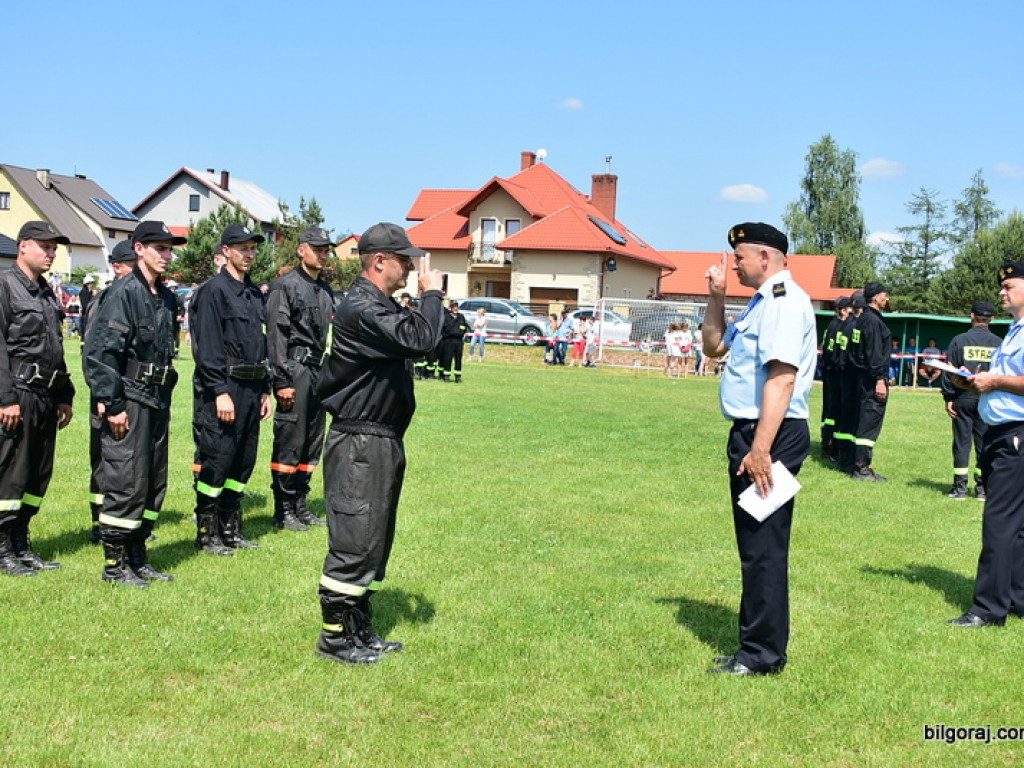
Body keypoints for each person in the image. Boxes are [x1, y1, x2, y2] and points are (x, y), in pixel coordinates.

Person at [314, 222, 444, 665]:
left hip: (380, 438)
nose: (410, 266)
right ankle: (335, 639)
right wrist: (432, 295)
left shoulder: (379, 304)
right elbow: (422, 339)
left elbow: (429, 336)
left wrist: (424, 305)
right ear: (379, 261)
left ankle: (358, 629)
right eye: (404, 259)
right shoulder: (362, 307)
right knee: (354, 540)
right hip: (360, 441)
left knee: (371, 540)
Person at [701, 222, 816, 676]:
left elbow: (783, 377)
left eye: (740, 257)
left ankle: (762, 656)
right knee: (754, 545)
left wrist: (762, 448)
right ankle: (755, 646)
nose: (735, 263)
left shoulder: (785, 304)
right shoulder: (759, 303)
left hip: (772, 435)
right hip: (756, 434)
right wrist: (716, 295)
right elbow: (713, 347)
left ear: (765, 258)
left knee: (763, 547)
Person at [84, 221, 183, 586]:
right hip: (130, 396)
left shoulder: (167, 297)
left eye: (170, 249)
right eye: (160, 248)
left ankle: (138, 557)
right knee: (126, 478)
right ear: (139, 249)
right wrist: (113, 403)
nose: (167, 255)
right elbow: (100, 354)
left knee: (154, 480)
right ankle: (115, 564)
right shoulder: (123, 293)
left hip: (157, 398)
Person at [948, 262, 1024, 628]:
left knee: (999, 521)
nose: (1001, 292)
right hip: (1001, 431)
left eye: (1008, 286)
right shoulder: (1013, 331)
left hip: (1016, 433)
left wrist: (995, 382)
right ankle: (1016, 598)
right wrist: (973, 383)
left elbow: (1013, 381)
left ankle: (987, 609)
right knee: (1017, 525)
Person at [189, 224, 272, 556]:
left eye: (253, 248)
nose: (249, 254)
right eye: (242, 249)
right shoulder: (212, 292)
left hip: (253, 388)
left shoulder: (253, 294)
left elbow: (261, 343)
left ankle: (230, 527)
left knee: (243, 460)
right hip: (225, 388)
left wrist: (266, 389)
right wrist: (219, 390)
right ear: (225, 251)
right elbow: (207, 346)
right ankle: (207, 532)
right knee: (218, 458)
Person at [0, 221, 75, 577]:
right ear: (23, 245)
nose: (51, 253)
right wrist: (5, 398)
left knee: (36, 474)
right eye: (44, 246)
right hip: (19, 393)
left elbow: (55, 348)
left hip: (46, 394)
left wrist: (64, 394)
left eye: (53, 248)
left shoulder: (46, 292)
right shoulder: (5, 286)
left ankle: (20, 541)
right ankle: (2, 547)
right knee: (12, 474)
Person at [266, 226, 336, 531]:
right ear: (301, 250)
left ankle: (300, 503)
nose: (322, 255)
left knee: (311, 440)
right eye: (316, 249)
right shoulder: (285, 286)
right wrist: (281, 381)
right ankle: (283, 508)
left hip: (318, 371)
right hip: (294, 369)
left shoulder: (326, 290)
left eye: (325, 250)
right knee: (290, 439)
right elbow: (277, 337)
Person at [83, 239, 138, 543]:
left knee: (125, 462)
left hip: (125, 392)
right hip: (107, 395)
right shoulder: (105, 300)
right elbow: (94, 353)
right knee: (105, 461)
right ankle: (99, 523)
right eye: (131, 264)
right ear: (117, 267)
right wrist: (102, 395)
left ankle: (122, 519)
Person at [940, 301, 1002, 500]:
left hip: (963, 396)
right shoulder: (999, 343)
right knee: (984, 443)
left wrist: (949, 397)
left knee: (961, 442)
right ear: (991, 319)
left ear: (972, 316)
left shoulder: (959, 340)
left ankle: (959, 488)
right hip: (988, 397)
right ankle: (983, 488)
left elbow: (949, 371)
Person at [847, 282, 892, 481]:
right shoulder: (873, 322)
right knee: (869, 421)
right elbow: (874, 354)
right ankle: (862, 468)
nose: (887, 299)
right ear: (875, 297)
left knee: (860, 420)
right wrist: (880, 380)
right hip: (870, 379)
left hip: (859, 379)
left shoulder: (861, 319)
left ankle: (854, 463)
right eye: (885, 295)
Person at [819, 296, 852, 460]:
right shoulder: (844, 326)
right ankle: (832, 446)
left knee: (828, 412)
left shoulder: (831, 325)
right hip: (836, 373)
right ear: (845, 310)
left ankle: (826, 444)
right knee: (836, 412)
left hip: (828, 370)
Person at [438, 301, 471, 382]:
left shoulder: (461, 317)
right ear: (451, 308)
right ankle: (446, 376)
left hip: (459, 341)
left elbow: (464, 327)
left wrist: (461, 331)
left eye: (457, 306)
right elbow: (444, 329)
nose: (455, 308)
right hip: (448, 340)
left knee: (458, 359)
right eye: (454, 307)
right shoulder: (446, 317)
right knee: (447, 358)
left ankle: (458, 376)